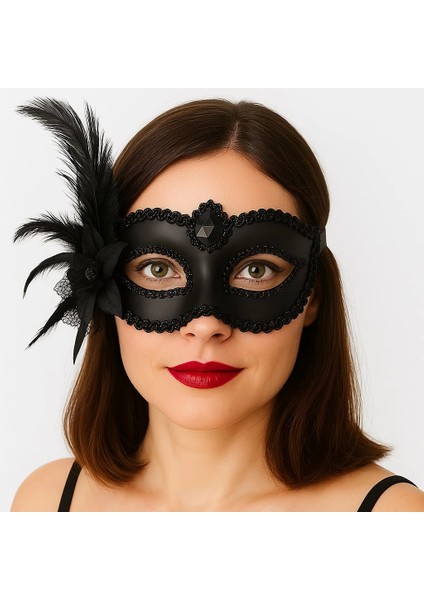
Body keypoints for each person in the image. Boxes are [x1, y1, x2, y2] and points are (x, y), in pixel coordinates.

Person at [10, 96, 424, 512]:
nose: (206, 325)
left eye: (257, 270)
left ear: (312, 295)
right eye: (157, 268)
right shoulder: (47, 502)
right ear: (104, 285)